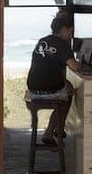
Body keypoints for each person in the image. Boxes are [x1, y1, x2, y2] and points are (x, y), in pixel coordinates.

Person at [27, 9, 77, 145]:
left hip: (32, 90)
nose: (71, 36)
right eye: (70, 32)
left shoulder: (42, 41)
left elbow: (45, 66)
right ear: (65, 29)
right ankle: (52, 131)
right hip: (49, 91)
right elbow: (75, 67)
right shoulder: (63, 45)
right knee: (68, 94)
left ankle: (57, 129)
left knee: (66, 86)